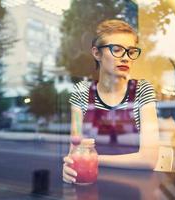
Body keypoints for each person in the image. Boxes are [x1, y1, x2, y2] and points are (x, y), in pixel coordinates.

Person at [63, 19, 159, 184]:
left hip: (135, 185)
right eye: (117, 49)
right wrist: (69, 170)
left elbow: (149, 159)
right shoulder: (81, 92)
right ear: (97, 53)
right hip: (91, 182)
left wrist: (92, 159)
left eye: (130, 51)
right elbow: (75, 149)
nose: (126, 58)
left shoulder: (142, 90)